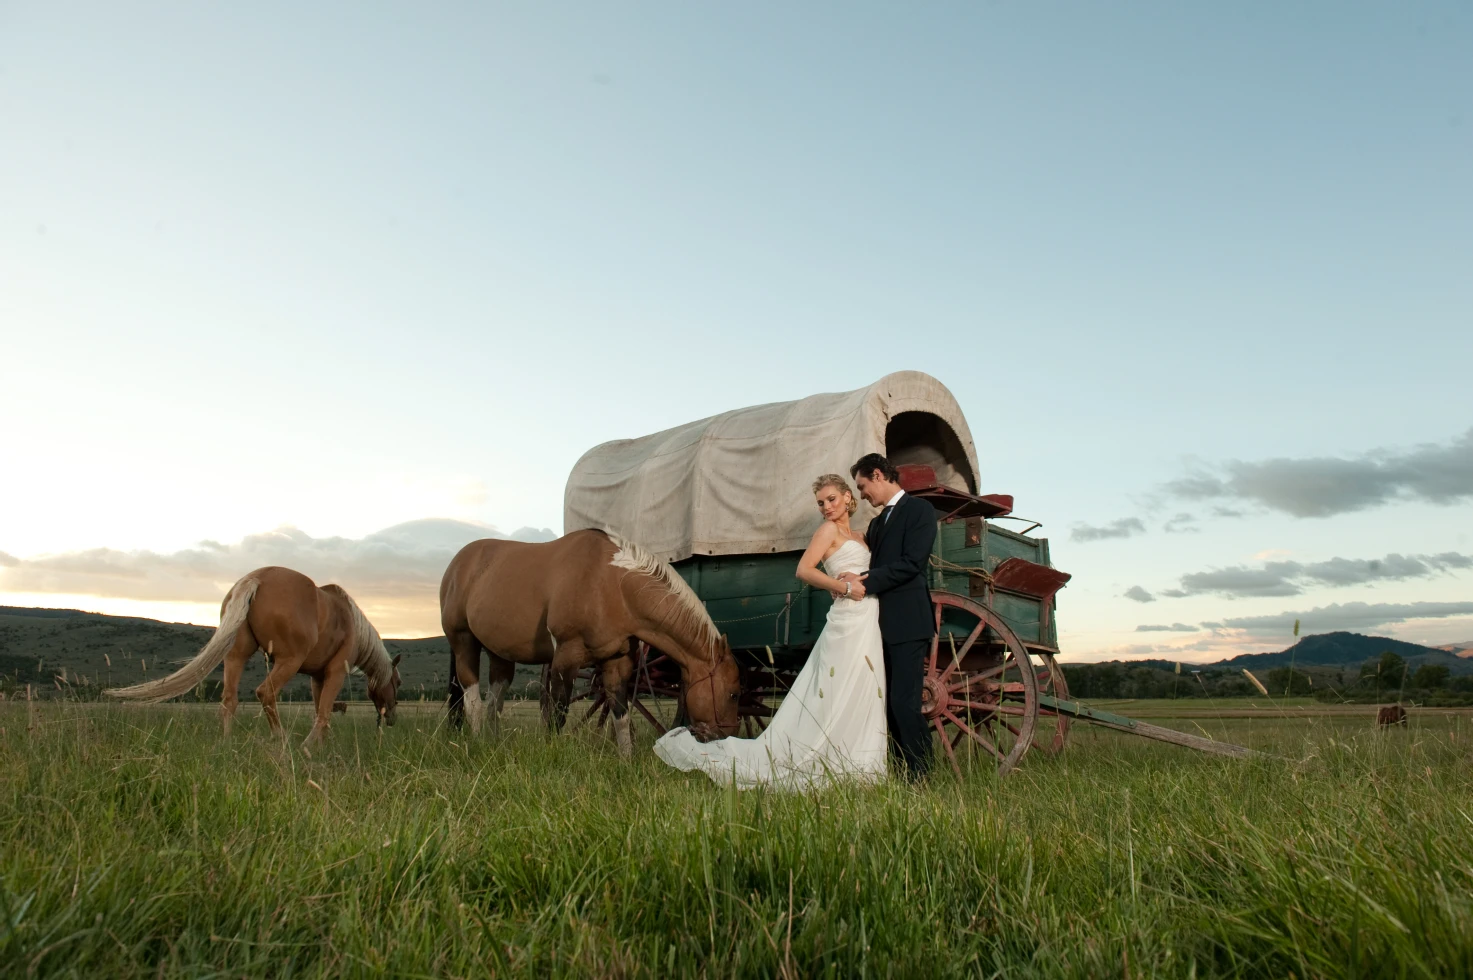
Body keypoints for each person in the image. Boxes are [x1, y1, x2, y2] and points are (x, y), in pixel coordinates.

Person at [653, 474, 887, 790]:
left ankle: (860, 761)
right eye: (820, 503)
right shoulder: (828, 530)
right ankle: (826, 757)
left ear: (848, 497)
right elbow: (804, 570)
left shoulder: (861, 536)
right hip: (846, 618)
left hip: (867, 616)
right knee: (836, 688)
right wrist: (842, 586)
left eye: (831, 499)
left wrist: (862, 579)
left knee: (864, 686)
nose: (826, 507)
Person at [838, 453, 936, 780]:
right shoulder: (877, 524)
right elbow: (875, 564)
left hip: (909, 622)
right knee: (886, 703)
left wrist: (865, 581)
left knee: (903, 702)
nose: (863, 494)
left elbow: (912, 564)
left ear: (878, 475)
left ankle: (921, 771)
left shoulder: (920, 511)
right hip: (879, 624)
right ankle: (897, 768)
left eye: (863, 486)